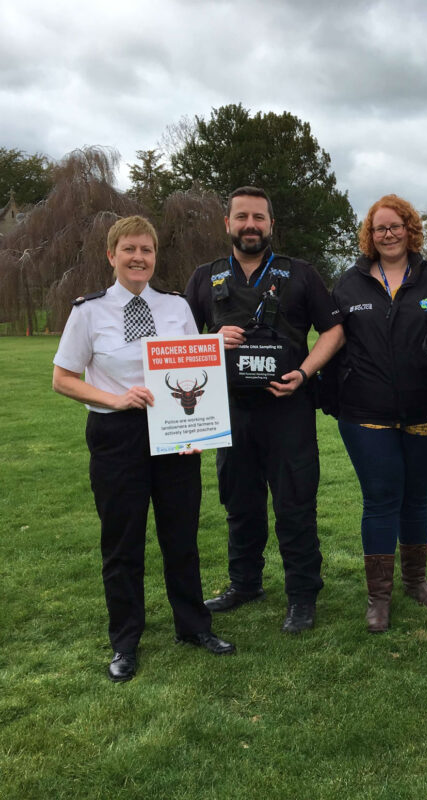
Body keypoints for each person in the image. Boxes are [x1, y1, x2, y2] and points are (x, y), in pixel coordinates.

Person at [52, 215, 235, 683]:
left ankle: (193, 627)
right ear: (111, 256)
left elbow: (200, 366)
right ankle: (126, 640)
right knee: (123, 542)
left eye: (146, 250)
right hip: (118, 436)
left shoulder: (176, 308)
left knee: (181, 537)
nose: (138, 258)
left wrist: (200, 431)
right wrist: (115, 398)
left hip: (175, 433)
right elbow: (62, 379)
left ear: (155, 257)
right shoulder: (88, 312)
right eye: (129, 249)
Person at [184, 187, 344, 634]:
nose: (250, 224)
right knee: (240, 502)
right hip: (230, 409)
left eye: (259, 217)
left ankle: (302, 594)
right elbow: (177, 344)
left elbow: (334, 331)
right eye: (241, 217)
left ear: (271, 224)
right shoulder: (205, 277)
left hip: (286, 408)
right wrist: (210, 342)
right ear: (228, 224)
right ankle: (245, 583)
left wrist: (306, 372)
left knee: (295, 502)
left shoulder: (301, 274)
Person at [331, 195, 427, 633]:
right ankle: (378, 598)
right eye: (379, 228)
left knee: (417, 498)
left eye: (396, 226)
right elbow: (333, 340)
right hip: (366, 412)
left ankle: (416, 582)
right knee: (382, 499)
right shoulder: (349, 284)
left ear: (410, 229)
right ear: (370, 234)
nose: (388, 234)